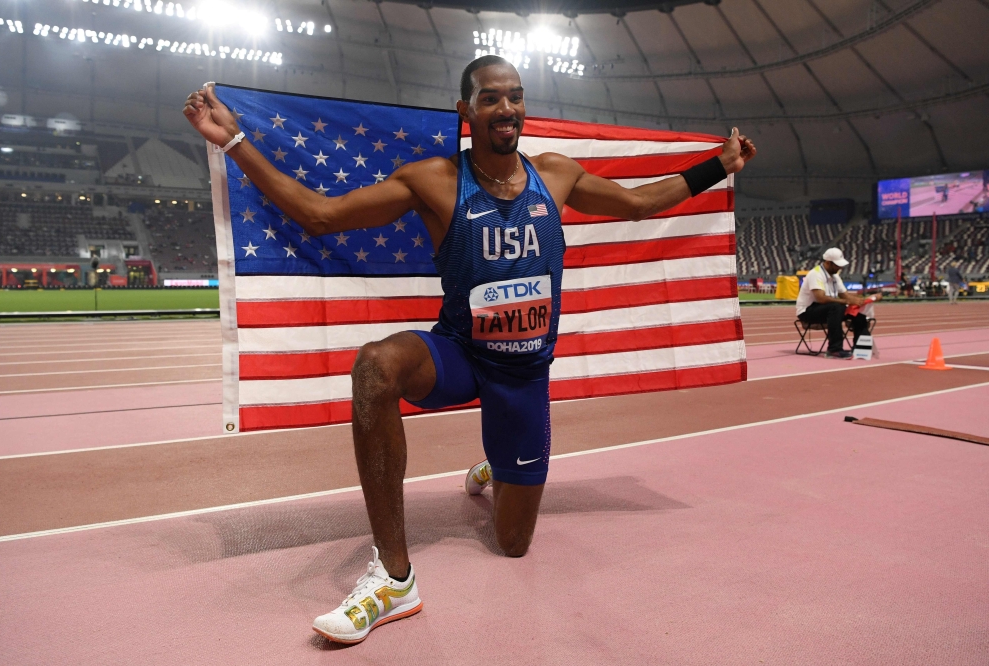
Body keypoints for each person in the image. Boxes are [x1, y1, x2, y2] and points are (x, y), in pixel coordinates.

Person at [182, 55, 757, 644]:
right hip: (459, 354)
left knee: (513, 545)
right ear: (467, 111)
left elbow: (639, 204)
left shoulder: (556, 174)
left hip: (523, 377)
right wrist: (236, 143)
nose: (506, 109)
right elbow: (320, 216)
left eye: (514, 96)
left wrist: (722, 164)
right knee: (375, 366)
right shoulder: (432, 180)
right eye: (490, 99)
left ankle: (496, 462)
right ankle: (394, 579)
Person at [795, 248, 872, 359]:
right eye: (837, 265)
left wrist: (859, 301)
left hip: (828, 309)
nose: (840, 267)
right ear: (828, 262)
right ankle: (834, 349)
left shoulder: (835, 276)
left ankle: (862, 348)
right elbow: (821, 298)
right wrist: (846, 301)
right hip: (808, 311)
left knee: (858, 310)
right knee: (836, 307)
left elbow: (845, 295)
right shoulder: (815, 274)